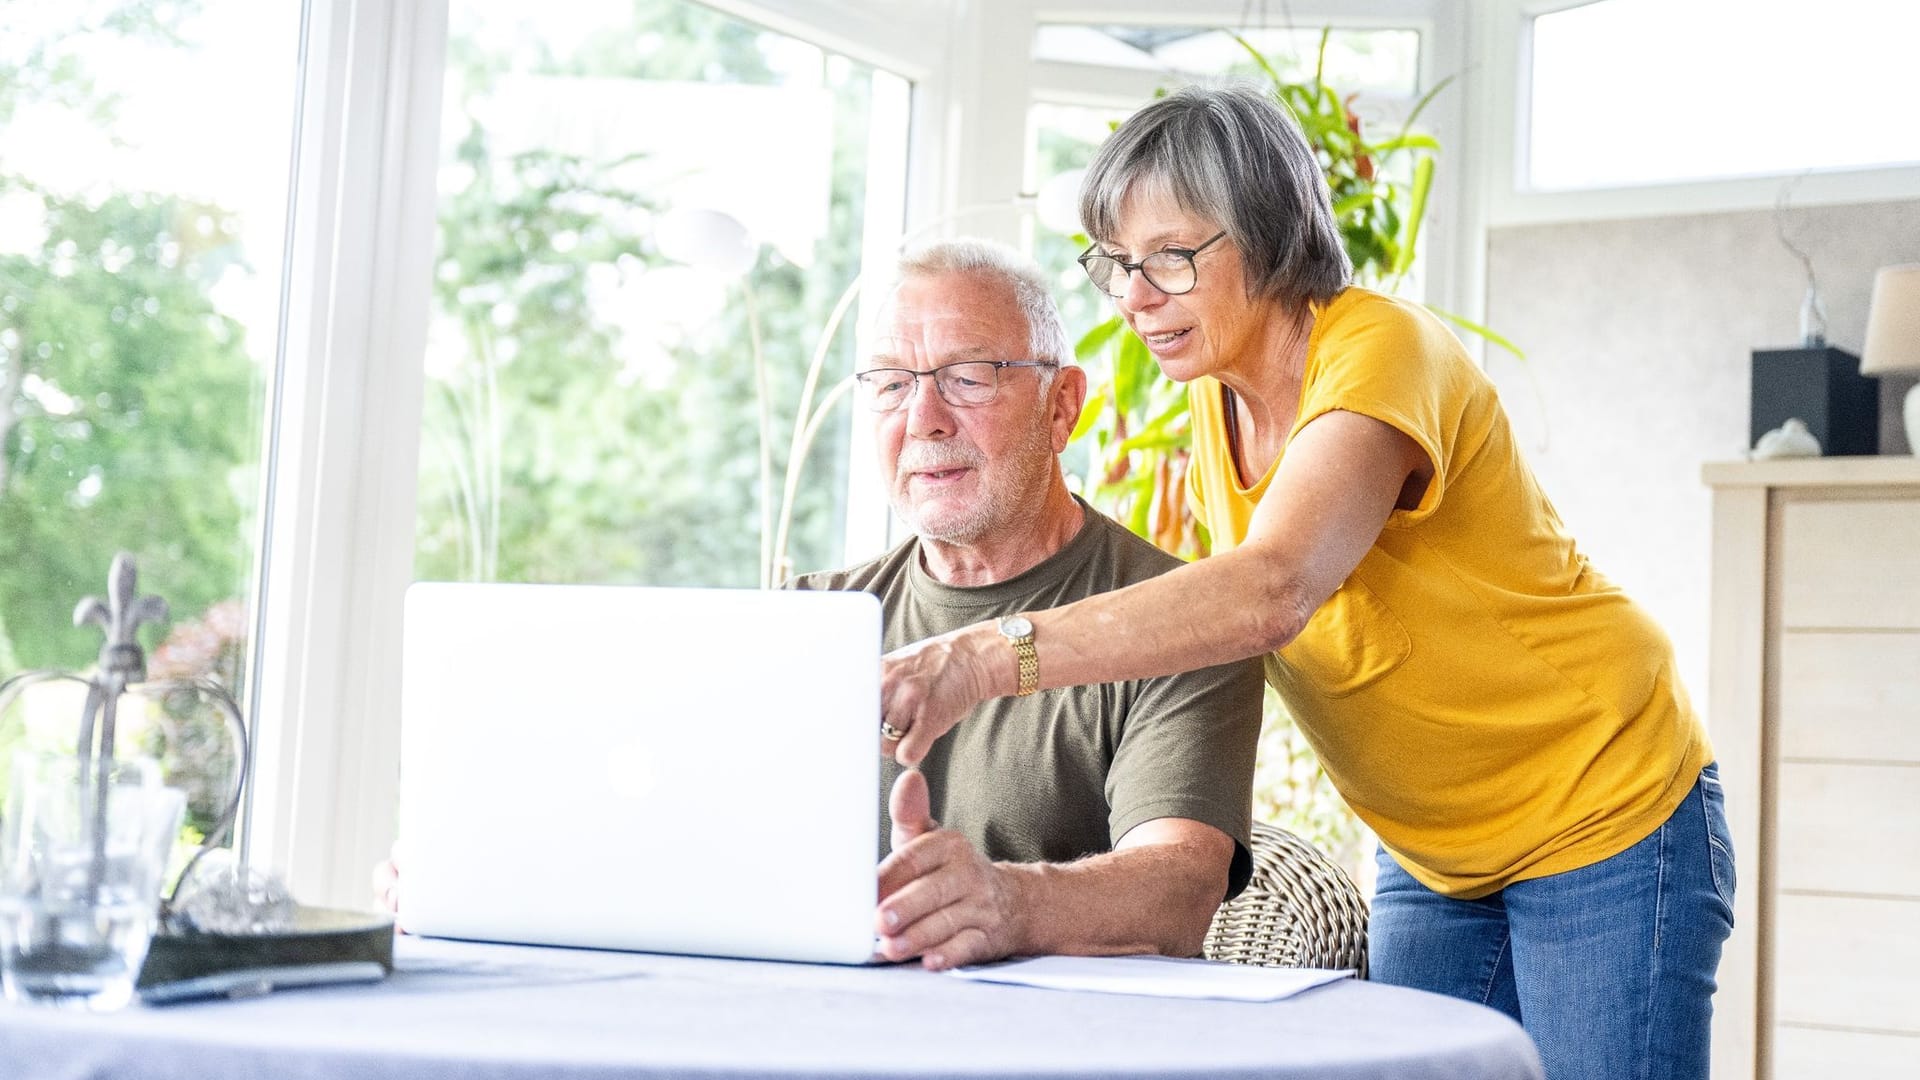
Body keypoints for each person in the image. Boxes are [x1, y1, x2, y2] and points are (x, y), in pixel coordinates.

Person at [876, 84, 1732, 1080]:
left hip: (1602, 806)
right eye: (1116, 263)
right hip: (1432, 851)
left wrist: (989, 654)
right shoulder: (1218, 402)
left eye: (1170, 258)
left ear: (1269, 234)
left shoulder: (1380, 351)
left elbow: (1272, 588)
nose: (1132, 297)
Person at [379, 237, 1266, 974]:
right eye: (889, 382)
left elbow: (1178, 890)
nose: (923, 417)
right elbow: (667, 833)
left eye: (967, 376)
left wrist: (1010, 902)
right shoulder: (805, 624)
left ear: (1062, 403)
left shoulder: (1180, 617)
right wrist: (488, 868)